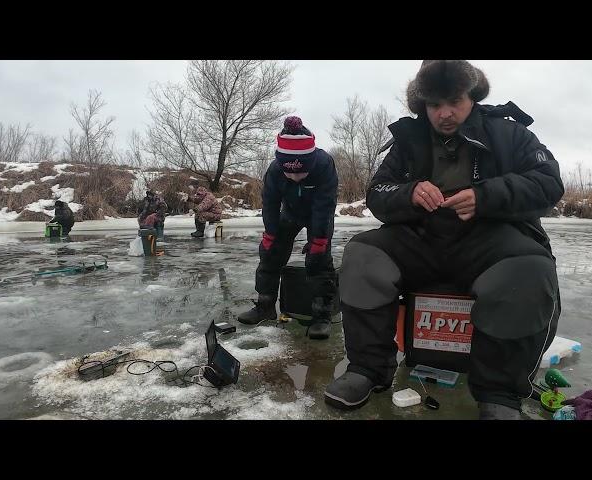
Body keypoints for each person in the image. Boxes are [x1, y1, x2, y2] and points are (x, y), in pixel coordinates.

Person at [324, 60, 564, 419]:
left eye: (454, 101)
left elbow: (548, 182)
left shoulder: (508, 132)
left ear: (473, 95)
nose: (445, 114)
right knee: (362, 254)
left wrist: (487, 197)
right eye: (434, 105)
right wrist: (409, 194)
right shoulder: (409, 138)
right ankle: (366, 369)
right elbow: (378, 192)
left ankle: (499, 393)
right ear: (423, 104)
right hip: (421, 237)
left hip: (491, 238)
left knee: (529, 269)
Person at [237, 116, 339, 340]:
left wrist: (319, 240)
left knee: (318, 259)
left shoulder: (324, 165)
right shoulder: (274, 170)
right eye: (289, 172)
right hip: (290, 213)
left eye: (300, 172)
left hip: (317, 215)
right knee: (270, 252)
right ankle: (265, 306)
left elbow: (325, 205)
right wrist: (270, 233)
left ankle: (322, 315)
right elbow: (270, 204)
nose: (294, 177)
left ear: (310, 164)